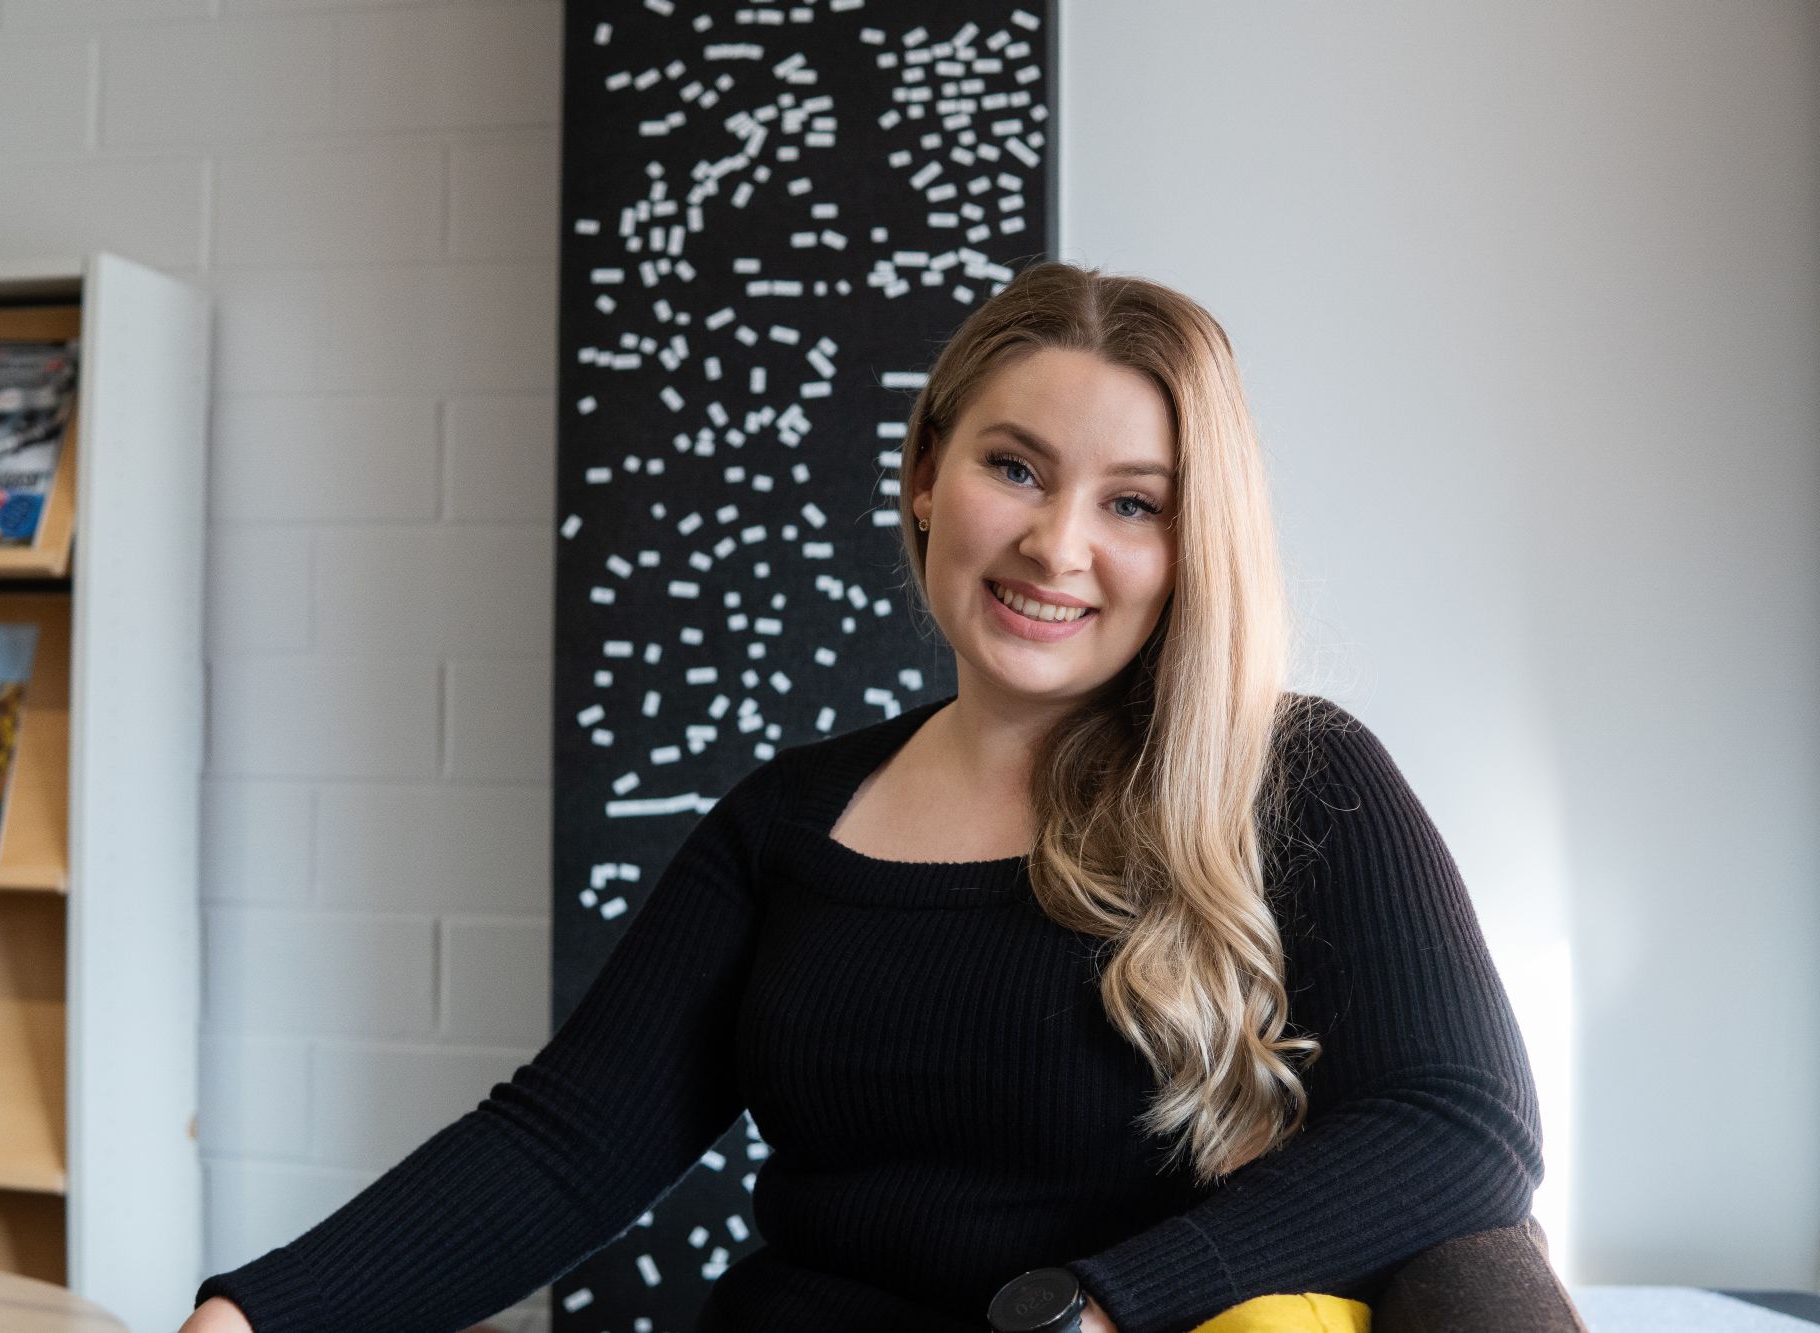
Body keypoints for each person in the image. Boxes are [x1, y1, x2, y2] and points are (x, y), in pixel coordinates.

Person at [179, 260, 1543, 1333]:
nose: (1056, 544)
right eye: (1015, 467)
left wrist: (1104, 1308)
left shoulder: (1294, 778)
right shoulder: (787, 820)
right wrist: (255, 1315)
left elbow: (1461, 1127)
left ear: (1196, 545)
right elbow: (564, 1147)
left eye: (1134, 504)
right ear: (926, 476)